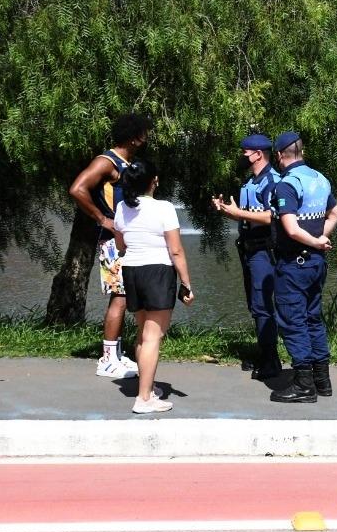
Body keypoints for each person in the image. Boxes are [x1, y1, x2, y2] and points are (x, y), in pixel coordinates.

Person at [68, 113, 153, 379]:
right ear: (135, 136)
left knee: (125, 296)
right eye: (144, 132)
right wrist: (103, 218)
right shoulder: (107, 162)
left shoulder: (128, 163)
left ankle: (115, 354)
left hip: (127, 239)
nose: (147, 137)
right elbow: (77, 189)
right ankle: (106, 359)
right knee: (120, 297)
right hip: (113, 241)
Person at [113, 159, 194, 413]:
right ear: (153, 181)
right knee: (153, 336)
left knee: (142, 332)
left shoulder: (121, 208)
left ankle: (146, 387)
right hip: (157, 272)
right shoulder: (164, 208)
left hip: (133, 271)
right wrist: (187, 284)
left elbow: (120, 245)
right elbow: (176, 250)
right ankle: (144, 398)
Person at [268, 131, 337, 403]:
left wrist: (315, 241)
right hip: (316, 265)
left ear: (279, 156)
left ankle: (303, 386)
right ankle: (322, 380)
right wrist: (322, 237)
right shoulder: (320, 179)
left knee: (292, 320)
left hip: (294, 264)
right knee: (313, 317)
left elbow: (291, 229)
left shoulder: (287, 184)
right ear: (302, 151)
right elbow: (335, 214)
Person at [211, 134, 282, 379]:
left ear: (258, 154)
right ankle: (264, 354)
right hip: (248, 249)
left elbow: (271, 216)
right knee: (255, 305)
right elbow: (246, 216)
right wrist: (227, 211)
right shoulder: (249, 183)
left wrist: (239, 212)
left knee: (264, 306)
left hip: (265, 250)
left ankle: (272, 361)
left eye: (245, 152)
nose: (241, 157)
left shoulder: (273, 181)